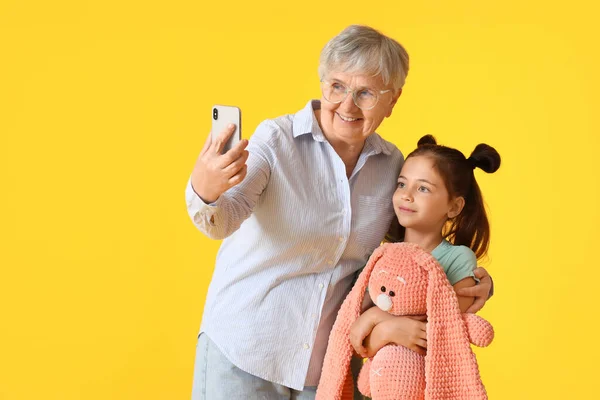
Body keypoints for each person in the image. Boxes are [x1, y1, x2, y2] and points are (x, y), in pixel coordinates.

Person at [185, 25, 494, 399]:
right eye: (336, 86)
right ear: (322, 84)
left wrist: (468, 281)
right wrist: (206, 189)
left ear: (392, 101)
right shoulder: (276, 141)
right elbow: (223, 220)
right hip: (246, 353)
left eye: (365, 92)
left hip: (328, 367)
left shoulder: (391, 165)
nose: (347, 105)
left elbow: (406, 259)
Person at [347, 135, 501, 362]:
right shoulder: (384, 255)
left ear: (454, 206)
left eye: (423, 189)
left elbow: (446, 323)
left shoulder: (458, 258)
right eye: (402, 184)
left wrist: (376, 316)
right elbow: (359, 341)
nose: (406, 195)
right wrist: (384, 328)